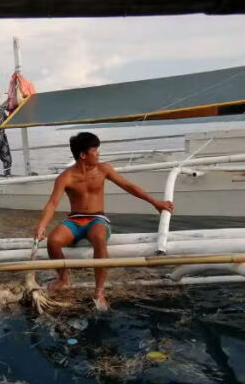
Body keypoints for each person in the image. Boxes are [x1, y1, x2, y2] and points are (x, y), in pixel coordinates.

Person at [32, 132, 173, 310]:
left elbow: (128, 186)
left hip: (97, 218)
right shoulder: (65, 177)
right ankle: (63, 278)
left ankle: (99, 291)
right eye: (95, 151)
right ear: (83, 155)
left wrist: (155, 202)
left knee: (98, 237)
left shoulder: (103, 169)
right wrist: (42, 225)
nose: (98, 154)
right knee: (53, 241)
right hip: (74, 220)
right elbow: (52, 203)